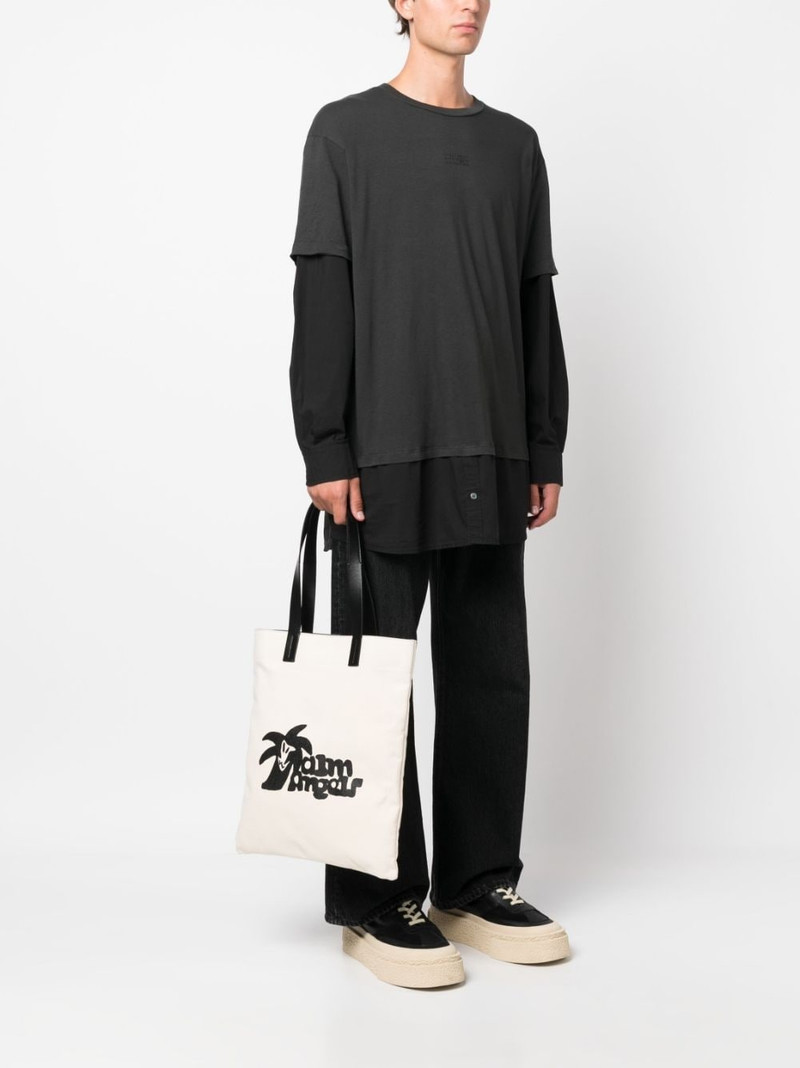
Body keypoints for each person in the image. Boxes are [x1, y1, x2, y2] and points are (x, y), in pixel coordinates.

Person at [288, 0, 570, 988]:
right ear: (400, 2)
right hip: (382, 452)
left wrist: (543, 444)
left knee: (491, 673)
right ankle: (378, 899)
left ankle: (476, 881)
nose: (469, 2)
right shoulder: (344, 133)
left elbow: (533, 299)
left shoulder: (515, 147)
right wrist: (326, 444)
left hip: (491, 449)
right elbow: (322, 292)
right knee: (372, 682)